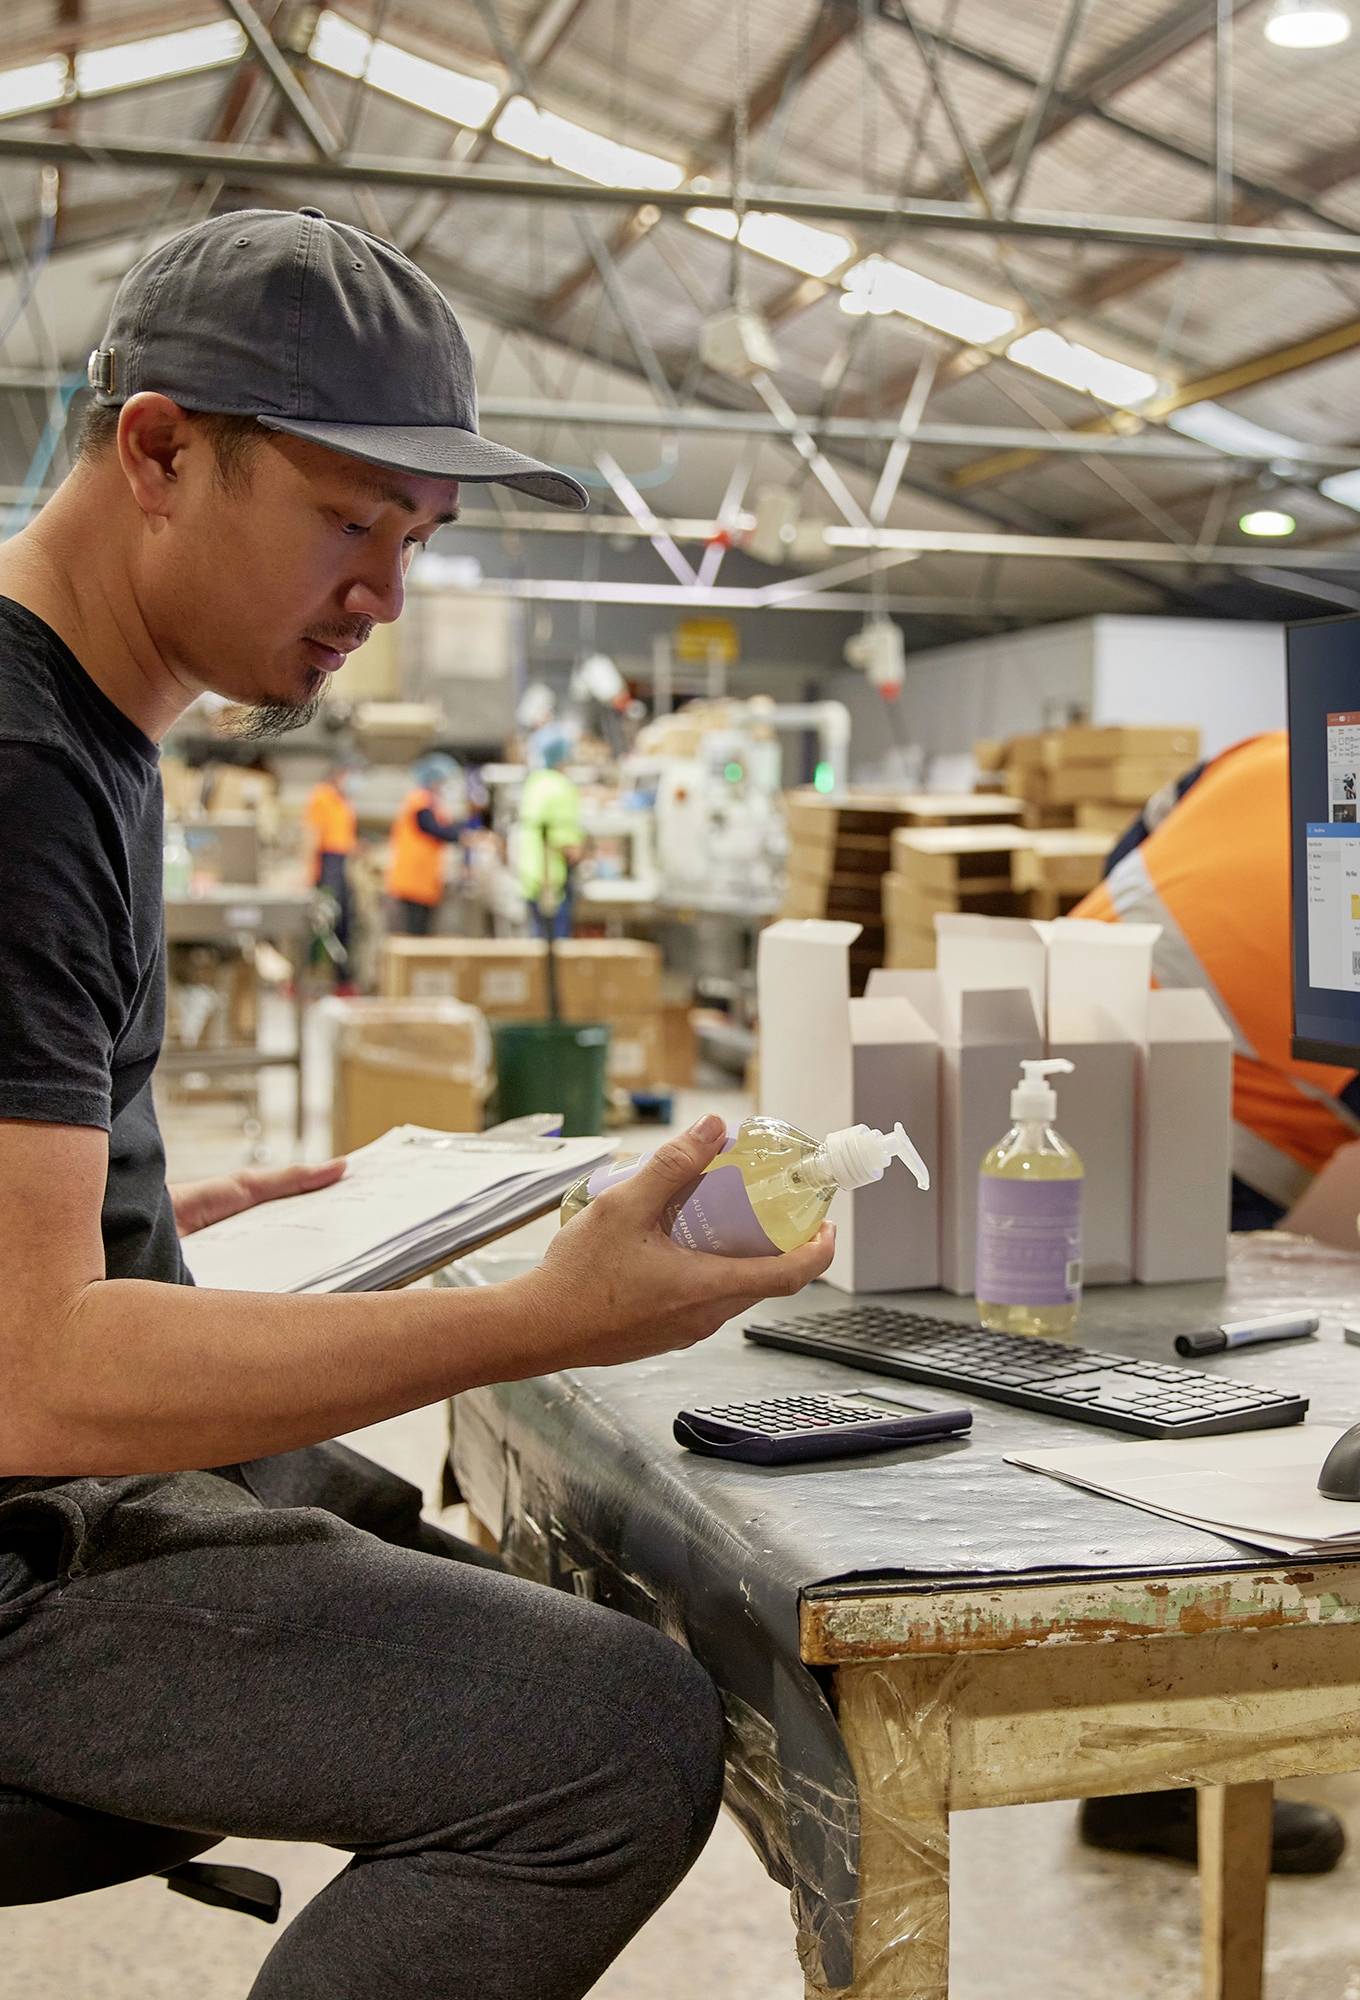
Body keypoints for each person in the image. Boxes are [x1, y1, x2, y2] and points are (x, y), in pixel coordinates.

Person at [0, 206, 834, 2000]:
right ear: (157, 450)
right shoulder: (16, 768)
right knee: (608, 1733)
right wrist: (540, 1318)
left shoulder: (90, 727)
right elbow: (31, 1372)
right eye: (351, 522)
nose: (388, 594)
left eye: (420, 537)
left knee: (496, 1580)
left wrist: (141, 1222)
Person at [1067, 731, 1360, 1877]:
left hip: (1079, 991)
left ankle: (1147, 1757)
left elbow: (1144, 828)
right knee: (1196, 1410)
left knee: (1152, 1381)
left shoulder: (1290, 744)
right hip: (1187, 1065)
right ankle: (1158, 1775)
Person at [385, 752, 472, 935]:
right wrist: (461, 837)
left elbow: (444, 826)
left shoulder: (431, 802)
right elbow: (430, 827)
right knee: (414, 929)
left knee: (422, 928)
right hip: (413, 878)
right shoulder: (419, 800)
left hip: (424, 878)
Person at [517, 725, 585, 940]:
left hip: (530, 874)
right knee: (556, 949)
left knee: (538, 943)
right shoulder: (561, 787)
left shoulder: (534, 783)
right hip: (551, 876)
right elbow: (565, 841)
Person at [303, 754, 360, 986]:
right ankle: (306, 977)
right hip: (327, 863)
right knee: (324, 923)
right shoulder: (322, 797)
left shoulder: (342, 801)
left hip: (341, 861)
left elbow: (344, 836)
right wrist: (309, 872)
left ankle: (341, 980)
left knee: (344, 920)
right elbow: (312, 835)